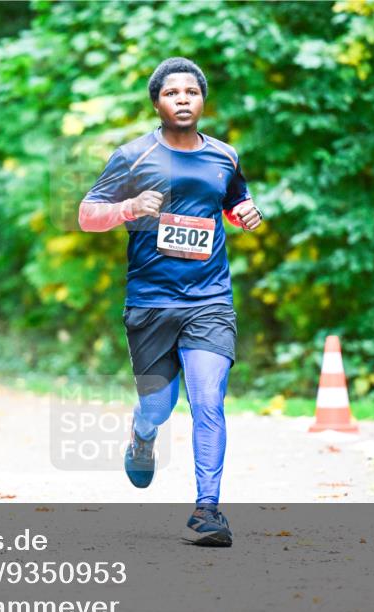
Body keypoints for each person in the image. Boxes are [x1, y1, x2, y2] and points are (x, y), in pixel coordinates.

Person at [78, 57, 264, 547]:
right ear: (157, 102)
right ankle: (144, 432)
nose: (183, 98)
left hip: (210, 299)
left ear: (203, 100)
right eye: (172, 92)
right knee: (158, 405)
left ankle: (208, 511)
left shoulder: (224, 156)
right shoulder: (133, 156)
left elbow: (232, 200)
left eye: (192, 91)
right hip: (151, 301)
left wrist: (242, 212)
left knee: (208, 401)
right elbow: (86, 214)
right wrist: (128, 208)